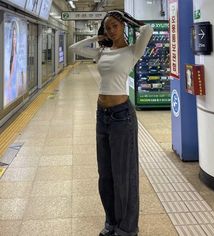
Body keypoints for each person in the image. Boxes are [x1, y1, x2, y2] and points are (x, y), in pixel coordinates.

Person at [69, 10, 153, 236]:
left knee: (123, 173)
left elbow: (147, 30)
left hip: (121, 116)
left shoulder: (132, 51)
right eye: (108, 27)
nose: (111, 30)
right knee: (105, 174)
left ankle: (127, 227)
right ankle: (111, 222)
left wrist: (124, 17)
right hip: (102, 115)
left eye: (115, 25)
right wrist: (97, 38)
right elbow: (74, 49)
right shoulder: (103, 51)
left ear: (123, 26)